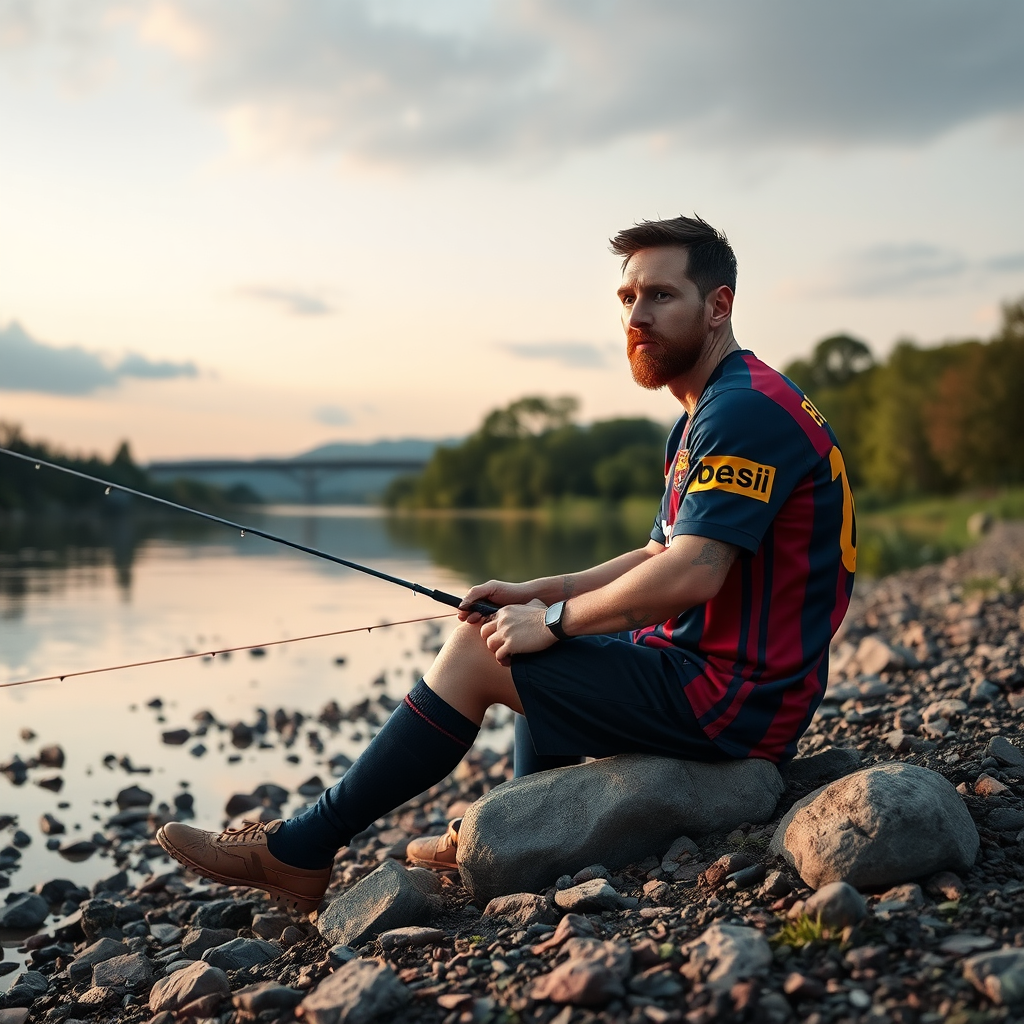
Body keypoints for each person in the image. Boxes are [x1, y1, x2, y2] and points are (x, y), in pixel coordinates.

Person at [157, 215, 856, 912]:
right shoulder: (718, 405)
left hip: (732, 698)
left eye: (661, 296)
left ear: (718, 307)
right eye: (626, 298)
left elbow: (692, 573)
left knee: (482, 647)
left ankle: (301, 848)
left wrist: (553, 622)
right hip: (723, 677)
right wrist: (541, 594)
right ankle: (523, 834)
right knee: (512, 626)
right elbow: (657, 554)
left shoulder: (740, 411)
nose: (636, 316)